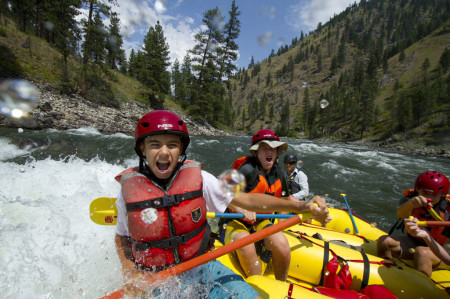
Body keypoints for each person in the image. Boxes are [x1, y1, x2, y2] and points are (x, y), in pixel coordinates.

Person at [114, 111, 330, 297]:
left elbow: (246, 199)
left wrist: (301, 207)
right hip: (158, 277)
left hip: (202, 267)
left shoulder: (203, 178)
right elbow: (122, 237)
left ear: (181, 149)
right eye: (154, 144)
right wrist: (130, 271)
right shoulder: (129, 192)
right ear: (142, 149)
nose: (164, 152)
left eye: (172, 145)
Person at [223, 129, 329, 282]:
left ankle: (281, 285)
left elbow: (286, 201)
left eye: (273, 149)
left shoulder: (279, 174)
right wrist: (242, 209)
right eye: (265, 148)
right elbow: (222, 194)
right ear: (256, 152)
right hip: (235, 220)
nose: (270, 152)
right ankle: (257, 284)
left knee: (282, 243)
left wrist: (308, 207)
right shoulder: (245, 170)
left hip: (261, 221)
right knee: (245, 244)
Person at [376, 171, 450, 277]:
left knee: (421, 252)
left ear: (443, 195)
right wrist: (410, 204)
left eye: (434, 195)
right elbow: (400, 214)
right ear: (418, 191)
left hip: (441, 250)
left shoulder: (448, 211)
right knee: (385, 241)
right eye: (425, 193)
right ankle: (388, 274)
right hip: (415, 241)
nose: (429, 197)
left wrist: (427, 239)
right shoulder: (409, 200)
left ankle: (420, 288)